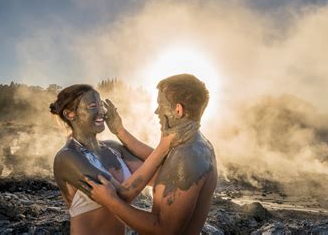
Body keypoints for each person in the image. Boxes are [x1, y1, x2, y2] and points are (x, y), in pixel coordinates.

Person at [85, 74, 218, 235]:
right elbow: (161, 161)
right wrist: (119, 130)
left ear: (178, 110)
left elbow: (165, 230)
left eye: (160, 104)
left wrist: (111, 201)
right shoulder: (192, 141)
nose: (156, 111)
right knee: (114, 146)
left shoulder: (187, 156)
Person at [51, 84, 188, 234]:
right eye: (92, 106)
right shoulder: (67, 157)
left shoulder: (113, 148)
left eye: (100, 105)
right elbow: (121, 196)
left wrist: (120, 131)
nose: (101, 111)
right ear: (70, 114)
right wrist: (163, 147)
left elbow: (167, 172)